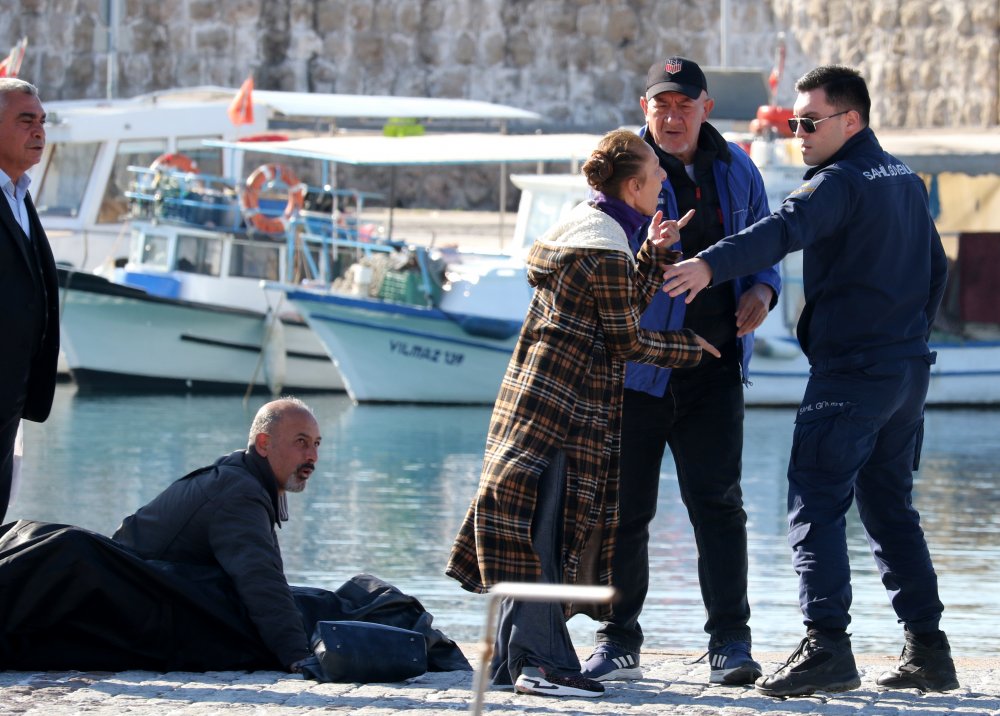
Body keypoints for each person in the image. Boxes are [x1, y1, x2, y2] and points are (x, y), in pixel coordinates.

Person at [660, 65, 957, 697]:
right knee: (890, 511)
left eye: (810, 122)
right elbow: (937, 267)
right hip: (905, 374)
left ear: (852, 121)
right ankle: (929, 652)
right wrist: (907, 338)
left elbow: (780, 231)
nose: (799, 133)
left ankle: (827, 647)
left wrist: (708, 265)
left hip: (851, 373)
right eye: (794, 122)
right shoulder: (904, 178)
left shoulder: (839, 182)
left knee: (813, 505)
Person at [446, 129, 719, 699]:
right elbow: (624, 339)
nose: (665, 181)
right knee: (542, 532)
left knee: (531, 526)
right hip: (562, 410)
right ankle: (541, 664)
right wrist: (692, 349)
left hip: (539, 400)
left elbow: (615, 303)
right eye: (657, 176)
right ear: (633, 183)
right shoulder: (601, 243)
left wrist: (652, 252)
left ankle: (514, 659)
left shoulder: (591, 226)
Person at [581, 57, 781, 686]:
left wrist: (765, 292)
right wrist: (650, 251)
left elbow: (766, 243)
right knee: (624, 510)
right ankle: (617, 639)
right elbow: (594, 242)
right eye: (660, 104)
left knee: (720, 506)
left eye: (684, 104)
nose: (672, 117)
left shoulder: (738, 166)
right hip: (636, 372)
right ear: (645, 108)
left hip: (715, 369)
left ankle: (730, 641)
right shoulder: (623, 165)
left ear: (705, 107)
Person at [112, 396, 322, 675]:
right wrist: (297, 655)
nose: (312, 457)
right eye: (301, 442)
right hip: (140, 611)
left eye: (316, 444)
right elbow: (259, 578)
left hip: (160, 597)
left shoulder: (242, 478)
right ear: (263, 444)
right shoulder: (239, 492)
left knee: (318, 605)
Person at [0, 78, 59, 524]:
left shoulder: (20, 196)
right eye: (26, 120)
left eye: (42, 121)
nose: (39, 131)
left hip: (12, 396)